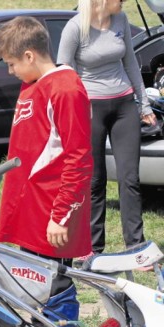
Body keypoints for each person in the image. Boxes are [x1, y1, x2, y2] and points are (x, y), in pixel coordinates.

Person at [0, 16, 93, 327]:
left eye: (12, 64)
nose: (11, 72)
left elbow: (78, 158)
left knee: (55, 281)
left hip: (52, 209)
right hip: (30, 207)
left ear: (30, 55)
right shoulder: (32, 83)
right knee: (30, 279)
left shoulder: (65, 88)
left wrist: (60, 214)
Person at [57, 0, 156, 258]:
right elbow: (64, 75)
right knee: (95, 181)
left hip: (124, 105)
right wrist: (70, 114)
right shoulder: (74, 27)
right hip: (90, 109)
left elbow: (131, 63)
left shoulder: (120, 20)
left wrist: (143, 105)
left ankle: (136, 247)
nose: (123, 2)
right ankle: (92, 249)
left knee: (130, 179)